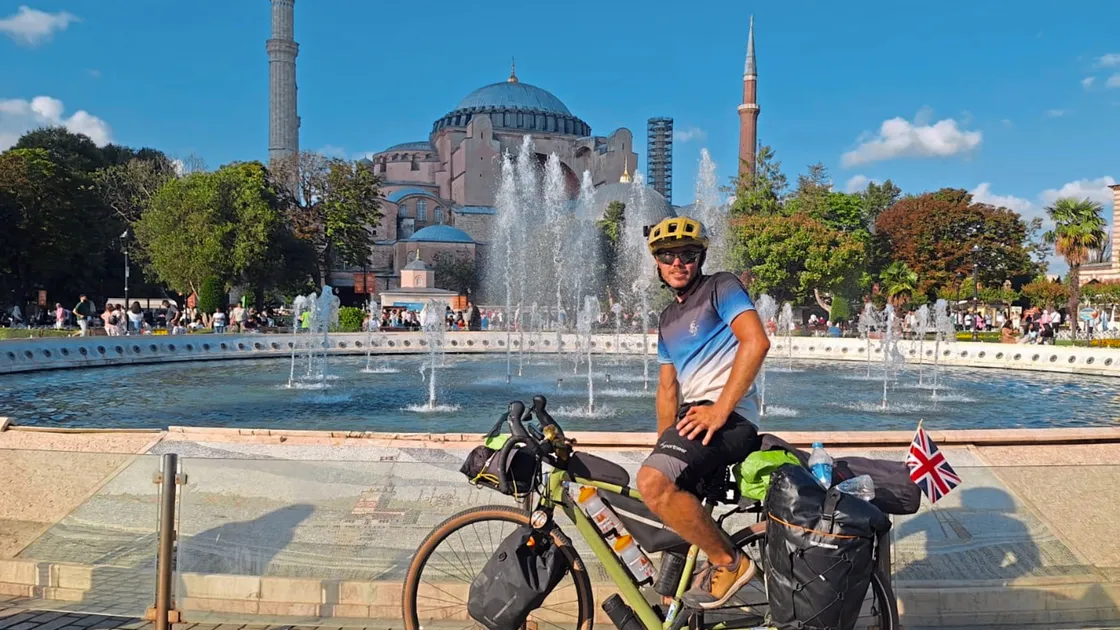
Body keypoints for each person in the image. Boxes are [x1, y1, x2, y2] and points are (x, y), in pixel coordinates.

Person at [635, 216, 770, 610]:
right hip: (693, 421)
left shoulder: (721, 287)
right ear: (657, 263)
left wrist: (719, 410)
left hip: (730, 422)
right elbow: (667, 387)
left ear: (701, 257)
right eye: (667, 255)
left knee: (653, 484)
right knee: (667, 510)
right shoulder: (667, 319)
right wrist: (664, 444)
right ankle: (675, 607)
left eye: (688, 254)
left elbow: (756, 341)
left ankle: (731, 562)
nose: (678, 263)